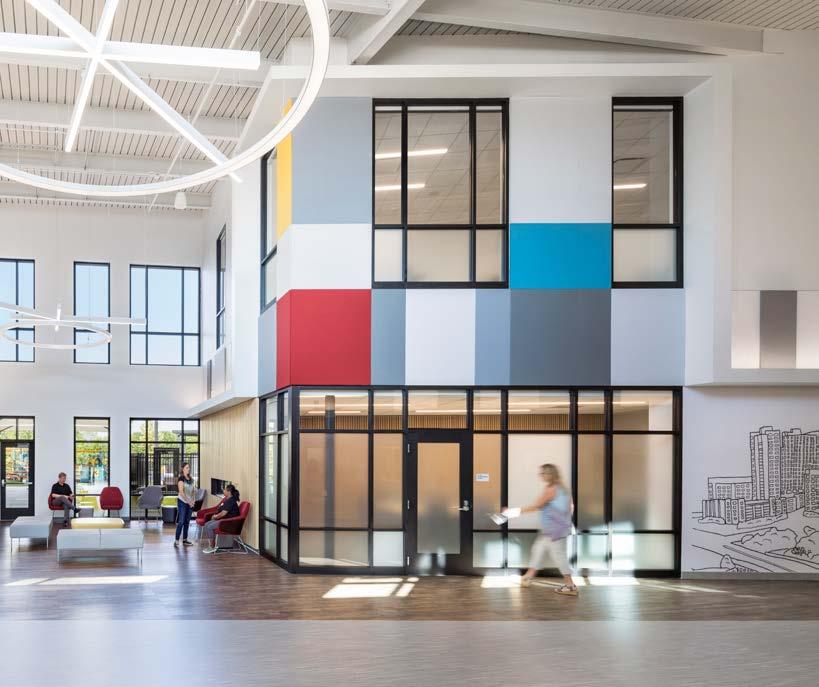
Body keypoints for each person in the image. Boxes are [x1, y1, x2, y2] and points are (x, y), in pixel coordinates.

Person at [504, 463, 578, 596]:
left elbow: (536, 506)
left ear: (550, 474)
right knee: (538, 550)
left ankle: (570, 585)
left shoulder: (551, 489)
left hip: (554, 531)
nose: (540, 475)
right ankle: (527, 578)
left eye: (543, 473)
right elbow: (571, 507)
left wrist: (512, 512)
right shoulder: (563, 488)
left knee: (559, 556)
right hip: (555, 529)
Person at [201, 485, 241, 554]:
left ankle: (212, 547)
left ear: (229, 492)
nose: (223, 491)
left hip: (229, 523)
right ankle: (212, 544)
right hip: (225, 520)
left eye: (225, 490)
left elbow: (223, 513)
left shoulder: (231, 501)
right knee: (207, 524)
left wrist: (215, 517)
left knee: (210, 527)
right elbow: (221, 510)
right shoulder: (227, 499)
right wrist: (215, 516)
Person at [174, 462, 196, 548]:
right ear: (182, 469)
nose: (188, 469)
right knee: (181, 521)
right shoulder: (181, 479)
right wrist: (189, 501)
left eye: (189, 467)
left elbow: (193, 491)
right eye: (187, 467)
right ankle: (176, 540)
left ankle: (185, 540)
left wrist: (193, 500)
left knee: (187, 521)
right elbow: (181, 492)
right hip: (182, 502)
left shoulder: (191, 479)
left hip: (190, 503)